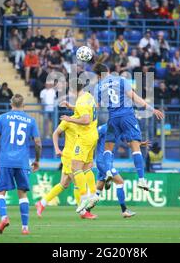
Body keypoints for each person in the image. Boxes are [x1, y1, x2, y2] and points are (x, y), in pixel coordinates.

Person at [93, 63, 164, 193]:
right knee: (135, 147)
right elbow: (134, 97)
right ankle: (142, 180)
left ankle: (108, 171)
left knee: (108, 148)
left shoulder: (98, 87)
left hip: (113, 119)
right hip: (127, 116)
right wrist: (151, 109)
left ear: (98, 75)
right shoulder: (121, 80)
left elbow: (95, 108)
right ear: (108, 70)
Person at [0, 94, 42, 235]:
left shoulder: (2, 118)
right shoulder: (30, 120)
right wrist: (37, 160)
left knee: (0, 192)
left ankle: (4, 217)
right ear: (23, 105)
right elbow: (37, 143)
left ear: (11, 104)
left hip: (6, 161)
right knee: (22, 194)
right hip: (23, 162)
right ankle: (25, 228)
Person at [35, 117, 97, 219]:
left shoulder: (84, 121)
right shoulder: (68, 120)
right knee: (78, 182)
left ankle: (42, 203)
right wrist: (57, 149)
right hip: (68, 156)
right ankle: (83, 212)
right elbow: (55, 133)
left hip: (78, 155)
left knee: (64, 183)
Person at [59, 80, 99, 215]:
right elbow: (88, 112)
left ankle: (84, 198)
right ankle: (93, 194)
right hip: (93, 135)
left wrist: (69, 119)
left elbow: (86, 119)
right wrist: (71, 107)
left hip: (84, 137)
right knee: (87, 167)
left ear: (72, 89)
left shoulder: (81, 102)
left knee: (75, 167)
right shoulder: (88, 96)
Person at [94, 124, 138, 218]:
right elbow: (92, 139)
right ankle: (124, 210)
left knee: (98, 188)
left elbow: (128, 143)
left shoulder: (119, 130)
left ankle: (86, 210)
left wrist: (139, 144)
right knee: (120, 182)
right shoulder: (103, 128)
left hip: (108, 162)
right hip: (103, 162)